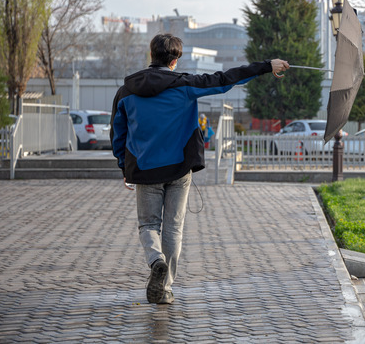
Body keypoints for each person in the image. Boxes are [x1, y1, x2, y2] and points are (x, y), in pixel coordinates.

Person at [110, 33, 288, 305]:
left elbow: (117, 133)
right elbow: (226, 79)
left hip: (144, 169)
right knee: (173, 228)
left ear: (152, 55)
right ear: (174, 60)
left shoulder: (126, 91)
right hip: (179, 169)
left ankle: (155, 260)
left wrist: (124, 166)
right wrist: (267, 65)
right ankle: (165, 287)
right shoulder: (186, 85)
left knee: (148, 224)